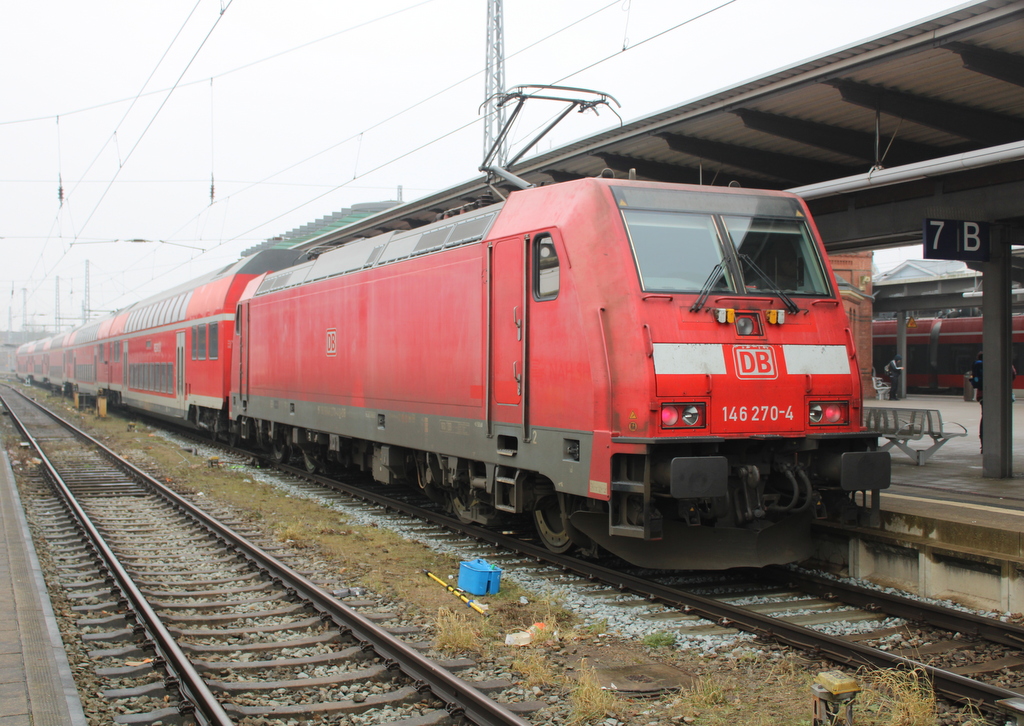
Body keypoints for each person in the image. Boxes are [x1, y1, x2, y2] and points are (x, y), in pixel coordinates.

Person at [972, 351, 983, 452]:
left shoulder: (978, 364)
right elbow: (1013, 374)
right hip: (999, 394)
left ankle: (983, 444)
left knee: (985, 418)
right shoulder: (998, 361)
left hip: (982, 395)